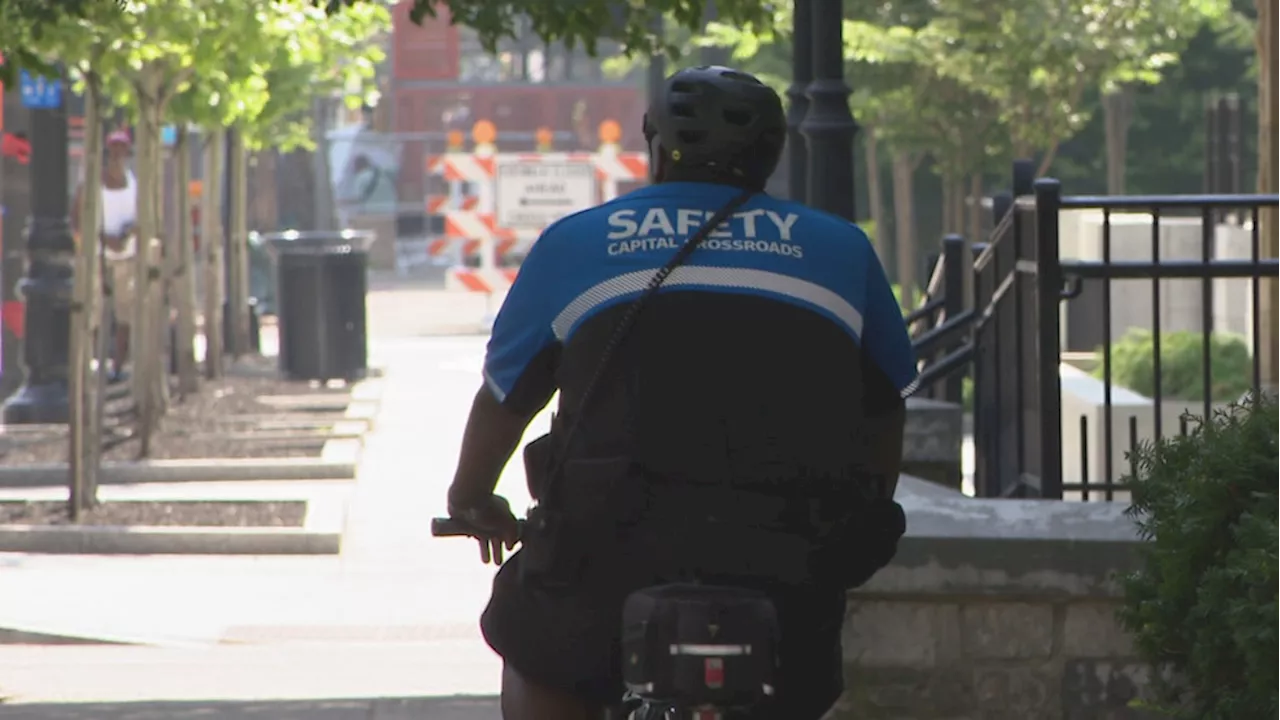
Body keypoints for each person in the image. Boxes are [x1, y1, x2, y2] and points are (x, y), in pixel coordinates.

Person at [444, 66, 915, 720]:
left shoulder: (575, 244)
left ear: (658, 147)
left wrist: (471, 499)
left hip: (605, 549)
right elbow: (886, 405)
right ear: (772, 155)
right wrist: (861, 517)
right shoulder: (842, 250)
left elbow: (506, 398)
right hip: (787, 556)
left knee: (539, 645)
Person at [72, 129, 136, 378]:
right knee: (94, 311)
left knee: (124, 313)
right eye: (113, 151)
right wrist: (99, 239)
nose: (117, 157)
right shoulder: (91, 186)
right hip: (97, 255)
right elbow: (77, 218)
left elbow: (143, 219)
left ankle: (118, 366)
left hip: (126, 257)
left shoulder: (135, 186)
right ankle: (95, 363)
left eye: (122, 151)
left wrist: (126, 236)